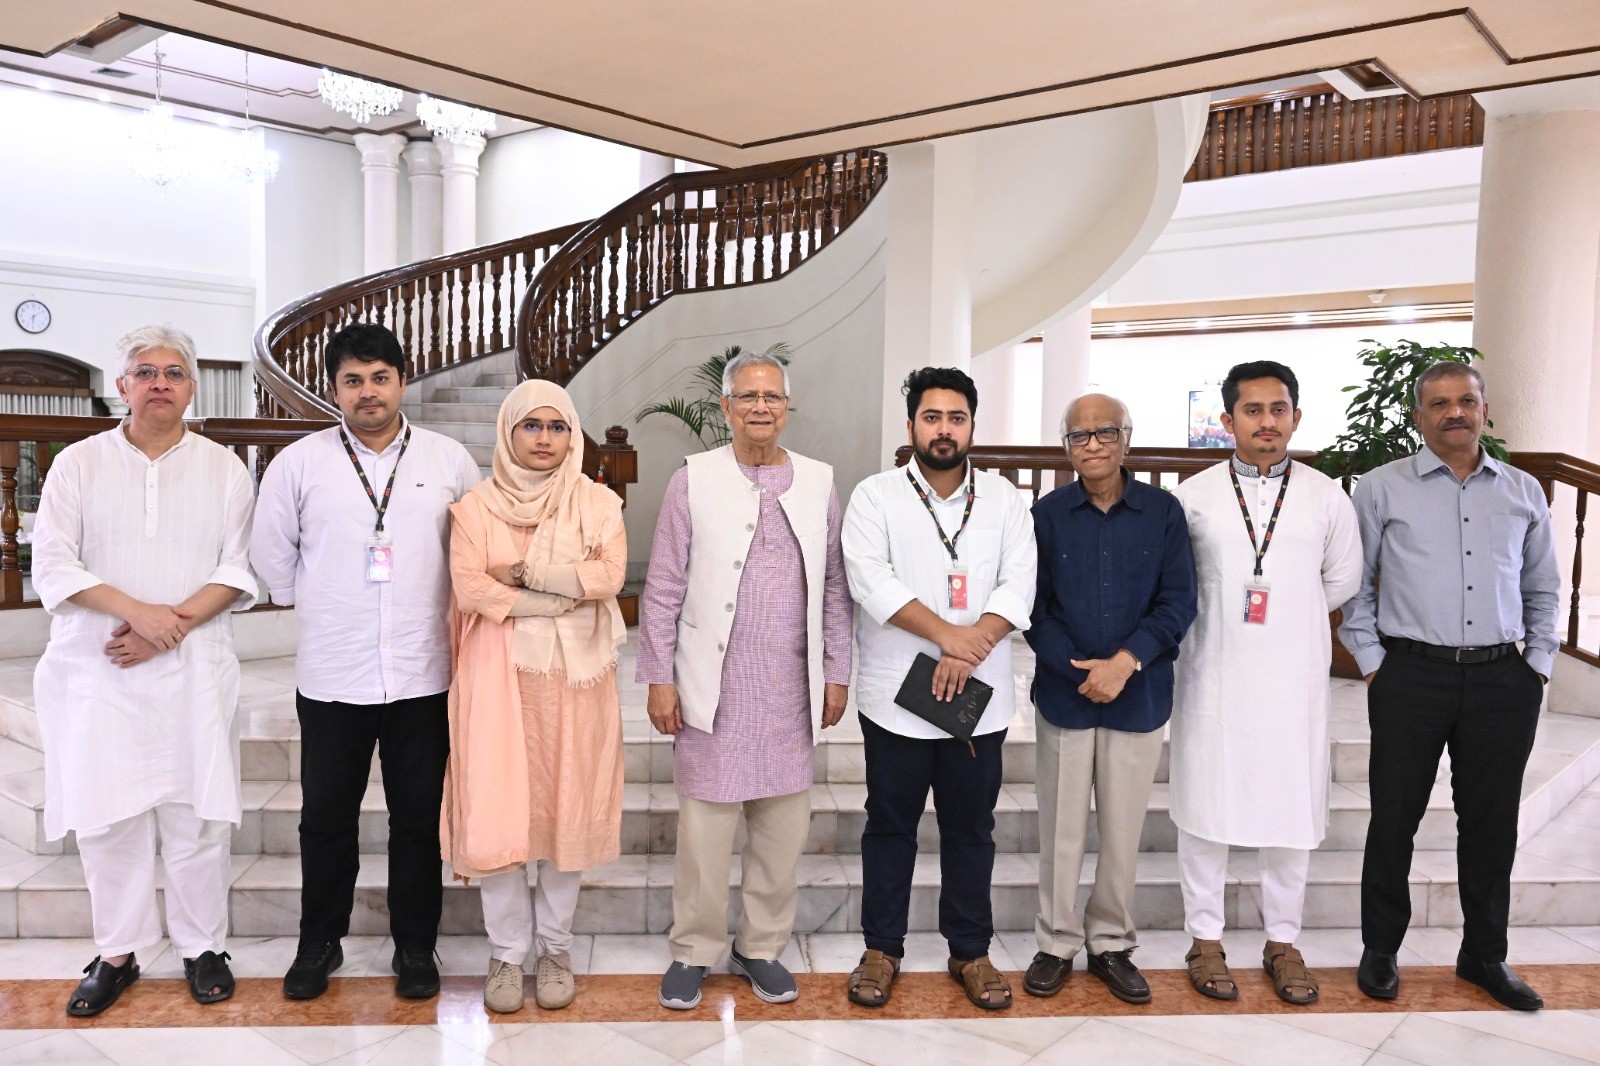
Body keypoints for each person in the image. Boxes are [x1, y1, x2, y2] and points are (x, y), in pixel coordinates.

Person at [31, 325, 256, 1015]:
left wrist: (168, 631)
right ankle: (117, 952)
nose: (161, 382)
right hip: (97, 668)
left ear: (192, 388)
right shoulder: (78, 463)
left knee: (197, 817)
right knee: (108, 817)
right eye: (145, 371)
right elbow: (55, 566)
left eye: (174, 372)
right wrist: (141, 615)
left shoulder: (224, 468)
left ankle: (202, 947)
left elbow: (237, 569)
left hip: (193, 668)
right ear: (121, 385)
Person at [251, 322, 480, 1001]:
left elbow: (472, 551)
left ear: (402, 381)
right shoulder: (300, 464)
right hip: (333, 674)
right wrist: (321, 602)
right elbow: (272, 555)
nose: (368, 391)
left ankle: (415, 946)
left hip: (423, 673)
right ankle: (319, 943)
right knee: (325, 818)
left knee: (416, 820)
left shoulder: (448, 461)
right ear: (334, 389)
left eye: (380, 377)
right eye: (353, 380)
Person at [1339, 362, 1560, 1011]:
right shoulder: (1379, 489)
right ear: (1418, 417)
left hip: (1502, 680)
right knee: (1394, 818)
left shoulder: (1523, 491)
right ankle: (1381, 948)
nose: (1454, 412)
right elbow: (1356, 585)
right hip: (1410, 676)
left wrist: (1536, 666)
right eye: (1438, 403)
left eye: (1465, 400)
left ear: (1484, 410)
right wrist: (1373, 662)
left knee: (1492, 823)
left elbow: (1542, 587)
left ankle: (1484, 955)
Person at [637, 349, 853, 1010]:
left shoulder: (818, 481)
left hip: (789, 689)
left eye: (773, 396)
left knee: (781, 833)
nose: (762, 407)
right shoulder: (692, 480)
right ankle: (693, 949)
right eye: (748, 397)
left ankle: (760, 946)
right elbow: (663, 586)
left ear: (788, 408)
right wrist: (659, 677)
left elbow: (835, 587)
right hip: (713, 687)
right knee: (705, 833)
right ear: (725, 407)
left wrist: (837, 672)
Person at [841, 367, 1036, 1011]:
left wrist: (969, 644)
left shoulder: (1004, 500)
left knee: (971, 830)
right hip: (895, 698)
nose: (944, 429)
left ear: (973, 426)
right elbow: (870, 580)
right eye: (932, 417)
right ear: (911, 426)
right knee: (889, 826)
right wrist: (949, 636)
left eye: (956, 417)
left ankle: (971, 951)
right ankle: (881, 949)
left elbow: (1020, 583)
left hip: (978, 701)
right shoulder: (875, 496)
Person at [1169, 360, 1362, 1006]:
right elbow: (1176, 584)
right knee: (1204, 809)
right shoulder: (1193, 497)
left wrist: (1286, 618)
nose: (1267, 422)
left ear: (1296, 417)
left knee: (1289, 813)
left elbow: (1342, 578)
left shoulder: (1325, 496)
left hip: (1291, 682)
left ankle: (1283, 941)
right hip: (1212, 676)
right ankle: (1204, 938)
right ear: (1228, 421)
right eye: (1252, 411)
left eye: (1279, 409)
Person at [443, 380, 627, 1013]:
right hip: (498, 680)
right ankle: (505, 954)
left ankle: (555, 948)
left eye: (557, 427)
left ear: (572, 435)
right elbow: (470, 588)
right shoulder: (476, 507)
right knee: (500, 812)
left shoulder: (598, 503)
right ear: (508, 432)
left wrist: (522, 576)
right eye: (531, 426)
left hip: (575, 686)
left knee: (563, 812)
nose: (545, 439)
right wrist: (554, 598)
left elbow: (608, 576)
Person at [1023, 394, 1197, 1004]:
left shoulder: (1163, 512)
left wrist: (1124, 664)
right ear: (1065, 447)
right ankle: (1055, 942)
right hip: (1066, 693)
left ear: (1127, 439)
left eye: (1105, 432)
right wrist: (1080, 670)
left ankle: (1111, 944)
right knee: (1061, 830)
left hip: (1138, 692)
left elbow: (1179, 601)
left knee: (1123, 832)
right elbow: (1032, 606)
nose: (1092, 444)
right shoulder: (1046, 515)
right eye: (1080, 435)